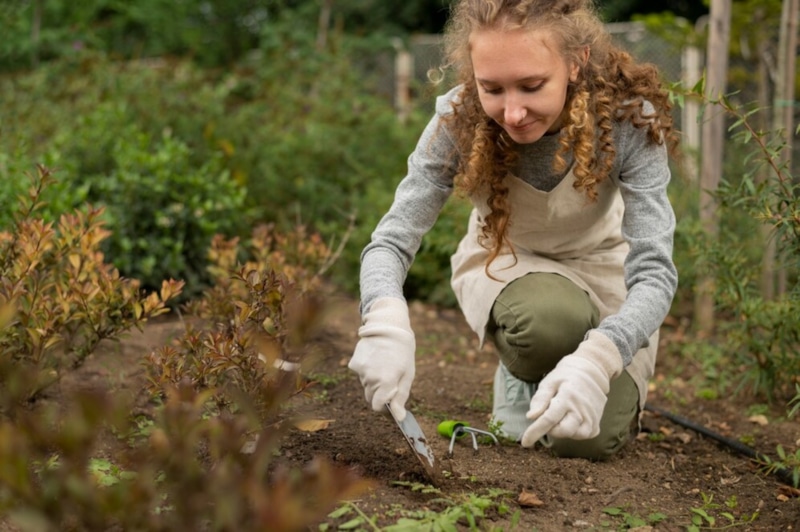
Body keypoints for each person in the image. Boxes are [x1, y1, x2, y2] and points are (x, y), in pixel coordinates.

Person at [348, 0, 678, 460]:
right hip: (510, 262)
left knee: (585, 442)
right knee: (548, 321)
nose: (514, 112)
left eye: (531, 85)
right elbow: (391, 239)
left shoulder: (627, 121)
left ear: (575, 62)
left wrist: (600, 359)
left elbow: (656, 273)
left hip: (605, 269)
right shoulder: (457, 118)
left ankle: (567, 370)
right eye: (493, 89)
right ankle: (527, 370)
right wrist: (384, 318)